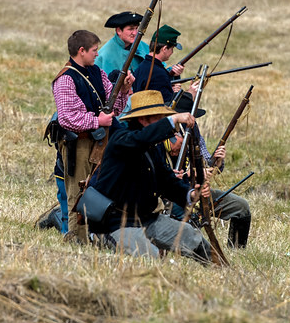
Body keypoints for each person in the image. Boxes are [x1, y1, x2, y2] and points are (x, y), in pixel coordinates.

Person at [87, 90, 213, 263]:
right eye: (158, 118)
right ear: (143, 120)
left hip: (146, 218)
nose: (162, 121)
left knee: (193, 238)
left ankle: (220, 270)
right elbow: (140, 139)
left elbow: (166, 181)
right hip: (115, 224)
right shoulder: (121, 139)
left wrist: (190, 194)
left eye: (163, 117)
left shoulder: (153, 146)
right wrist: (173, 120)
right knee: (150, 259)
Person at [52, 29, 133, 242]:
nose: (98, 54)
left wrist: (123, 90)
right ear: (81, 50)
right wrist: (97, 121)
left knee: (98, 190)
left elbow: (113, 106)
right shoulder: (66, 79)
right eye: (94, 50)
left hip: (99, 141)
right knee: (77, 192)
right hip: (77, 143)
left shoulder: (97, 72)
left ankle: (95, 237)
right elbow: (68, 118)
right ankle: (76, 239)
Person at [165, 95, 252, 248]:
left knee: (241, 207)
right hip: (172, 197)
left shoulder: (193, 131)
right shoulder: (160, 136)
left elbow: (206, 163)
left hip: (197, 191)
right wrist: (191, 173)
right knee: (190, 230)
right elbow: (159, 175)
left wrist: (217, 162)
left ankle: (236, 251)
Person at [132, 24, 187, 103]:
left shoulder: (143, 66)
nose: (172, 52)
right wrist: (190, 93)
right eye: (172, 49)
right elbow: (167, 105)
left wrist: (175, 76)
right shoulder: (158, 73)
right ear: (164, 48)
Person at [95, 11, 150, 81]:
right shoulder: (105, 55)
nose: (135, 33)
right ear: (118, 31)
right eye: (131, 29)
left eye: (136, 28)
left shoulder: (143, 46)